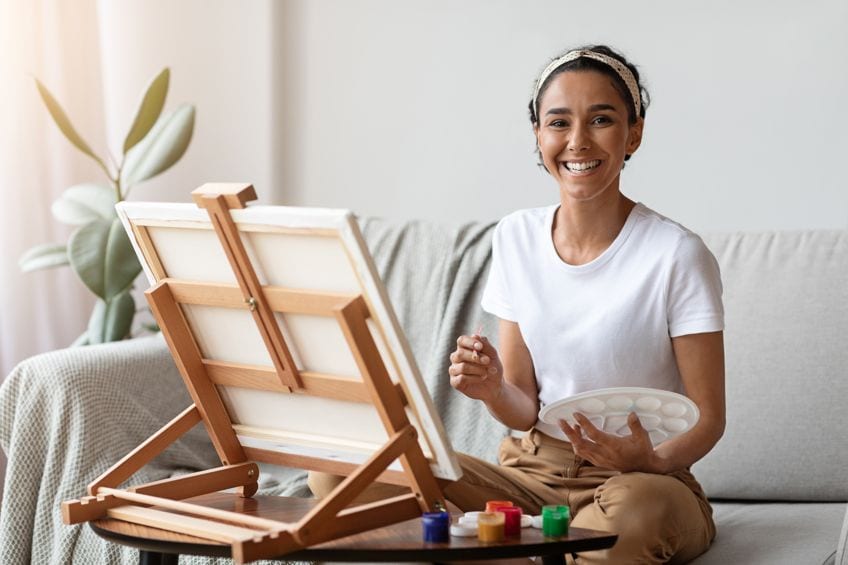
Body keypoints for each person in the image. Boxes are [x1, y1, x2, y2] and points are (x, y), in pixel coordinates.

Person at [310, 45, 725, 564]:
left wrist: (652, 459)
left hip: (638, 481)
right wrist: (491, 390)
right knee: (338, 472)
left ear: (633, 133)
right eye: (559, 122)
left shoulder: (677, 254)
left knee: (635, 517)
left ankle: (505, 550)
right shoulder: (516, 237)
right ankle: (533, 549)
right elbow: (525, 406)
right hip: (530, 477)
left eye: (601, 120)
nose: (577, 141)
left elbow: (709, 418)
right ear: (538, 135)